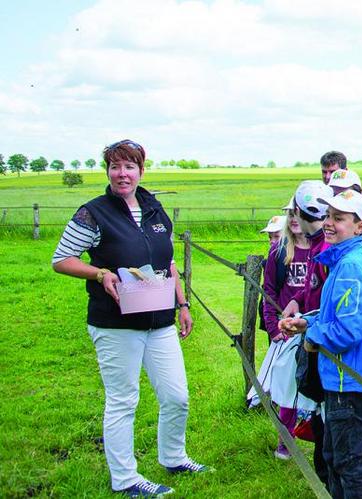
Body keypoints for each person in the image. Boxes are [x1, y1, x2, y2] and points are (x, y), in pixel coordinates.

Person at [51, 139, 209, 498]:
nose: (122, 174)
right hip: (115, 323)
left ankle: (174, 456)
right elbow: (62, 259)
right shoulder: (93, 212)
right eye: (115, 167)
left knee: (177, 396)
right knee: (123, 400)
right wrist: (98, 274)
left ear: (141, 170)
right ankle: (125, 478)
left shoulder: (154, 208)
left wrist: (181, 304)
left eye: (129, 166)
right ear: (107, 171)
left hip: (160, 319)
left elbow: (165, 262)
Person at [280, 190, 362, 499]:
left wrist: (312, 337)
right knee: (335, 459)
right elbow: (337, 317)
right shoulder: (343, 260)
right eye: (328, 216)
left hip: (348, 382)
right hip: (342, 380)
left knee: (351, 466)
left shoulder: (351, 267)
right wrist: (308, 323)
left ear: (361, 227)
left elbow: (348, 331)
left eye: (338, 219)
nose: (328, 223)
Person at [280, 179, 334, 485]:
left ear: (298, 212)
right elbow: (313, 289)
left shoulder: (326, 249)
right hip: (316, 336)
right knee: (318, 413)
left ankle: (328, 482)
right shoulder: (317, 246)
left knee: (324, 416)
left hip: (326, 345)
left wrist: (305, 322)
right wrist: (296, 300)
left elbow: (329, 302)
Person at [261, 210, 312, 460]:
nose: (293, 219)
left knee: (312, 386)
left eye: (298, 214)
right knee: (286, 390)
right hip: (287, 330)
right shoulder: (279, 251)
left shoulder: (319, 248)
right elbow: (269, 290)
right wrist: (273, 327)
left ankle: (317, 437)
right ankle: (286, 441)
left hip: (312, 327)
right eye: (290, 214)